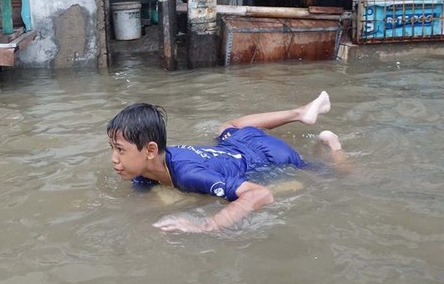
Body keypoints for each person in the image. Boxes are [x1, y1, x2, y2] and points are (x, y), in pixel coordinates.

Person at [106, 91, 343, 233]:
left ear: (150, 150)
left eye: (120, 150)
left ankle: (335, 148)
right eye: (112, 149)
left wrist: (208, 225)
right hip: (234, 146)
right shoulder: (143, 170)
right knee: (228, 127)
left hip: (270, 157)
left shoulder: (188, 175)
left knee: (333, 174)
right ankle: (301, 113)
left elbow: (260, 194)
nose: (114, 159)